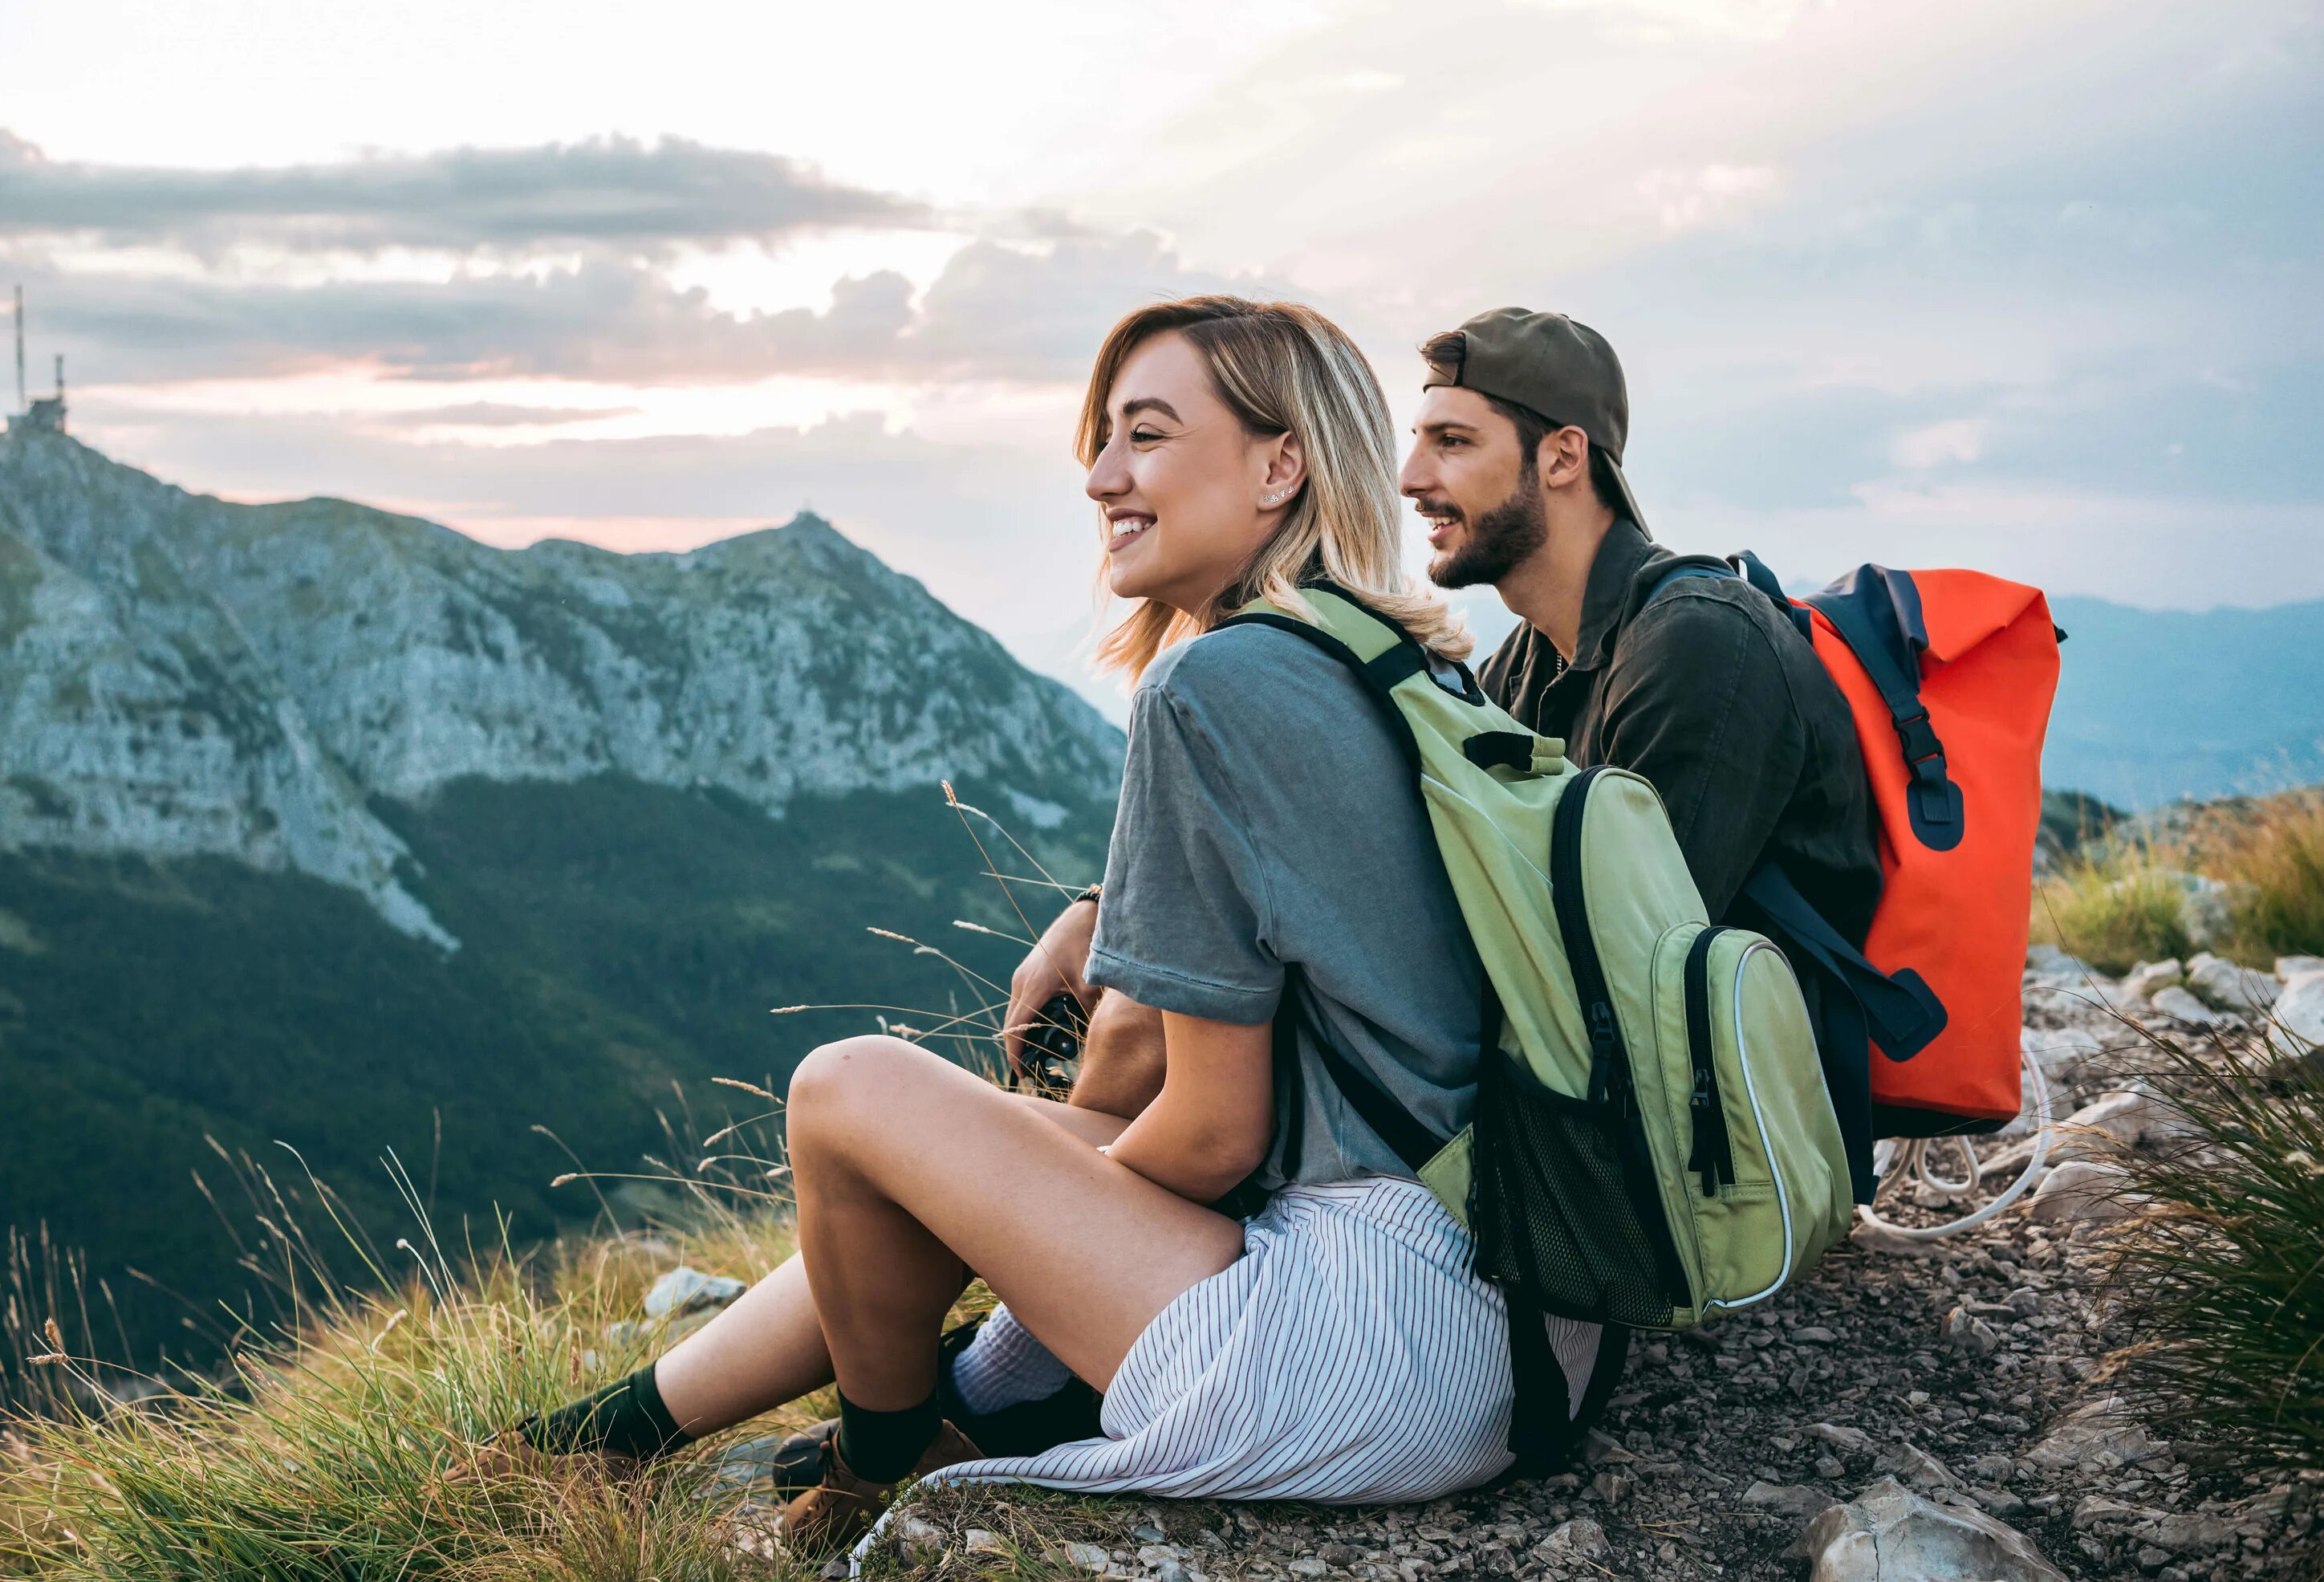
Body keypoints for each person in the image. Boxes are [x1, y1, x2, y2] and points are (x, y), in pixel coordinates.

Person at [485, 295, 1546, 1552]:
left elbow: (1213, 1136)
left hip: (1373, 1346)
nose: (1101, 477)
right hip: (1518, 1327)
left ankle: (889, 1443)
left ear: (1281, 463)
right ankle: (607, 1437)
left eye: (1145, 436)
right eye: (1101, 442)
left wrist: (1007, 1273)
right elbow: (1181, 1039)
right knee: (989, 1145)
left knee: (848, 1091)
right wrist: (1088, 969)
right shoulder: (1401, 664)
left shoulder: (1214, 682)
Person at [977, 306, 1882, 1461]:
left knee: (1215, 1060)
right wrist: (1114, 911)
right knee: (1186, 1029)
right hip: (1612, 1139)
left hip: (1717, 1158)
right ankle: (1054, 1304)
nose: (1410, 477)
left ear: (1563, 456)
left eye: (1453, 442)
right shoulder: (1516, 668)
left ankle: (1038, 1320)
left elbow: (1598, 986)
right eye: (1414, 441)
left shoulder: (1696, 648)